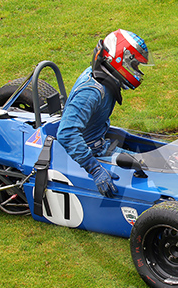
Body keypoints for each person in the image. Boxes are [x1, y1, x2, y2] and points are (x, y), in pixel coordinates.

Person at [56, 29, 150, 198]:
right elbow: (66, 133)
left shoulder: (105, 77)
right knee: (150, 168)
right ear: (121, 60)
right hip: (91, 152)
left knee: (146, 160)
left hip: (99, 142)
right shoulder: (92, 91)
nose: (137, 70)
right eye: (135, 65)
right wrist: (95, 170)